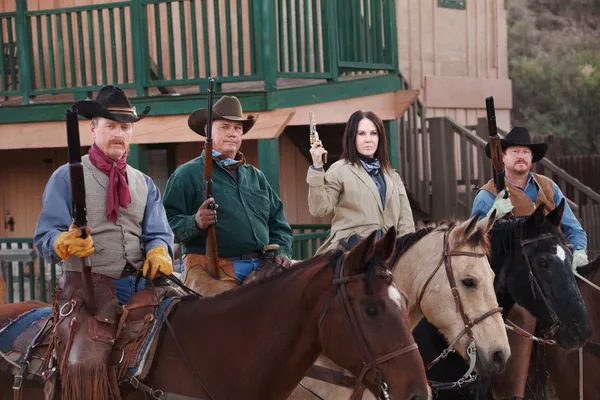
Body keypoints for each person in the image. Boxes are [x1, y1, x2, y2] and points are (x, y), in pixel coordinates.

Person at [33, 85, 175, 399]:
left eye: (125, 127)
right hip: (88, 288)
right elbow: (44, 236)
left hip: (144, 287)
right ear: (93, 128)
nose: (118, 134)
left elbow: (158, 232)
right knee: (85, 361)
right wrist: (65, 242)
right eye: (110, 126)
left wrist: (159, 249)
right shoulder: (65, 177)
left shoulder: (144, 183)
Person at [471, 126, 588, 400]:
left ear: (532, 157)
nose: (521, 156)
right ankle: (514, 391)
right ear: (503, 158)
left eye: (526, 152)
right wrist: (490, 216)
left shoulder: (549, 187)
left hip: (552, 272)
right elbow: (473, 240)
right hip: (511, 280)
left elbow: (574, 229)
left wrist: (579, 251)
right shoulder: (488, 195)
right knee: (524, 314)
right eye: (514, 152)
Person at [162, 95, 293, 296]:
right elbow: (167, 222)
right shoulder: (186, 174)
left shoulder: (255, 177)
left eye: (237, 128)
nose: (232, 133)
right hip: (210, 269)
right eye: (224, 127)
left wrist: (282, 252)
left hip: (262, 264)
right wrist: (195, 222)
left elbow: (279, 223)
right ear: (208, 131)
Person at [306, 110, 415, 254]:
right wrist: (317, 167)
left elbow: (406, 222)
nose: (368, 139)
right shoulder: (340, 169)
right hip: (351, 253)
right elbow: (319, 209)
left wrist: (404, 252)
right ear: (352, 137)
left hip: (388, 253)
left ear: (380, 138)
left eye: (373, 133)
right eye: (361, 133)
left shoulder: (392, 176)